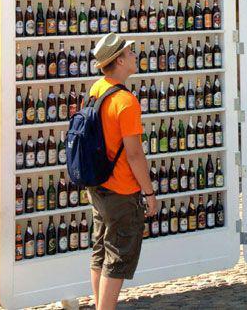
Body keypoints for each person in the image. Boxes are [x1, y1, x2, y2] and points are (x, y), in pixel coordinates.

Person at [87, 32, 156, 310]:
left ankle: (100, 306)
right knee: (117, 257)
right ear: (119, 61)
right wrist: (149, 192)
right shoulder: (126, 102)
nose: (135, 56)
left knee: (100, 250)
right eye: (129, 53)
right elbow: (135, 154)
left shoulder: (97, 89)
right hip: (121, 190)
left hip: (98, 183)